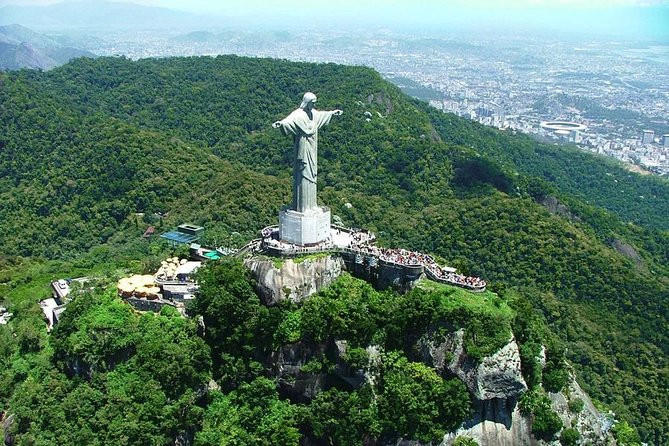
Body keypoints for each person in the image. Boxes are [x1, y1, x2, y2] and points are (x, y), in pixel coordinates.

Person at [273, 92, 342, 213]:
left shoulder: (314, 114)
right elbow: (288, 121)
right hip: (303, 149)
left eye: (314, 103)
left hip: (312, 149)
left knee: (312, 175)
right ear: (306, 102)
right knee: (303, 175)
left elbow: (322, 115)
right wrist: (281, 124)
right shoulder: (298, 114)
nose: (313, 106)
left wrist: (332, 113)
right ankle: (302, 207)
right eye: (312, 103)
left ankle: (311, 205)